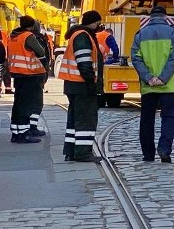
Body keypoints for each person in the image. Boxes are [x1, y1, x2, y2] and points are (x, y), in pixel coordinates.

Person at [131, 5, 174, 163]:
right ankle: (164, 149)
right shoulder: (173, 33)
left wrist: (149, 78)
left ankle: (148, 154)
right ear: (165, 17)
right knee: (169, 118)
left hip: (148, 87)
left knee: (147, 120)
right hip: (169, 86)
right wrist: (163, 78)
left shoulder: (140, 35)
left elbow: (136, 58)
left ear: (150, 18)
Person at [60, 11, 105, 163]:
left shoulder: (79, 34)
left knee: (74, 120)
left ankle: (71, 151)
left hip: (74, 84)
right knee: (86, 120)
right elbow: (84, 62)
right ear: (92, 23)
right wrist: (92, 82)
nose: (99, 26)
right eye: (98, 23)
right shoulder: (83, 36)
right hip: (82, 85)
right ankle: (83, 153)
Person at [6, 16, 49, 144]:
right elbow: (40, 51)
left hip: (17, 74)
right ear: (32, 26)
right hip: (30, 74)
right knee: (26, 105)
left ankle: (16, 133)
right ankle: (24, 134)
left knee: (19, 104)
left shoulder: (13, 36)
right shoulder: (28, 36)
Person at [27, 21, 51, 137]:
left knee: (26, 102)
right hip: (36, 74)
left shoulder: (20, 37)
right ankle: (33, 127)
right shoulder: (36, 39)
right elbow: (43, 57)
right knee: (37, 103)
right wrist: (45, 74)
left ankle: (26, 127)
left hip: (25, 75)